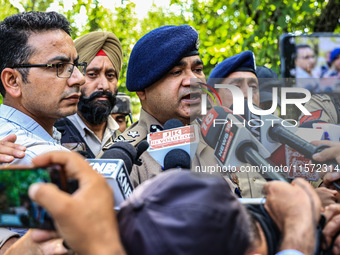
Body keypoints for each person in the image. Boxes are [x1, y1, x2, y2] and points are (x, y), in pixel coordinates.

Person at [114, 25, 237, 192]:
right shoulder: (126, 157)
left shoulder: (221, 136)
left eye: (198, 70)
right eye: (177, 72)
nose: (193, 80)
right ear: (142, 91)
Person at [0, 11, 86, 165]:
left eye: (75, 65)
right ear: (13, 81)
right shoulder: (34, 159)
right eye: (58, 66)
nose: (79, 78)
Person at [55, 31, 122, 158]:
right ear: (75, 77)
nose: (104, 85)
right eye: (92, 74)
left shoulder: (126, 138)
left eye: (110, 76)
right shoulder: (52, 134)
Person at [207, 51, 265, 198]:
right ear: (213, 98)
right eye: (236, 87)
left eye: (253, 87)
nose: (247, 94)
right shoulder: (195, 149)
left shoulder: (277, 140)